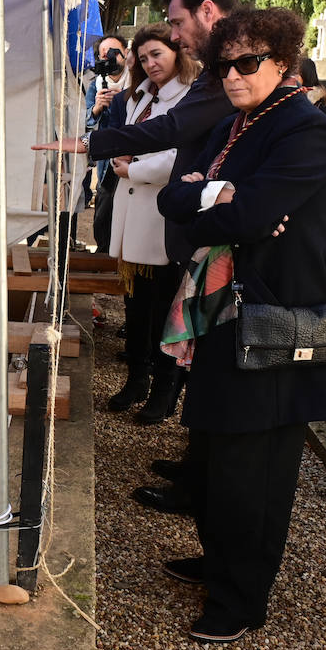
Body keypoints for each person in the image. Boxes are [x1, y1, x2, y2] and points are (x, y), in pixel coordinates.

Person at [156, 7, 326, 642]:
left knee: (254, 464)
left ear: (283, 63)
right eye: (223, 64)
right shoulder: (238, 124)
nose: (232, 75)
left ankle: (242, 596)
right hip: (221, 310)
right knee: (213, 447)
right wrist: (217, 194)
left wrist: (210, 196)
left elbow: (246, 216)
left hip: (273, 317)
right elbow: (171, 202)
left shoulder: (305, 129)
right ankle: (219, 562)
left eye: (247, 62)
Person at [33, 0, 241, 516]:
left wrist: (90, 143)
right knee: (177, 327)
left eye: (176, 24)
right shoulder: (214, 78)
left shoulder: (228, 79)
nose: (173, 39)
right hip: (185, 224)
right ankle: (196, 460)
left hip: (212, 234)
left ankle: (202, 472)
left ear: (210, 13)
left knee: (202, 344)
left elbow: (170, 134)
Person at [105, 23, 199, 423]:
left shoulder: (191, 97)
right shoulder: (139, 95)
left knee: (164, 310)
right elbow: (126, 136)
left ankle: (164, 388)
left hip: (162, 218)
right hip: (132, 214)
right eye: (142, 57)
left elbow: (183, 153)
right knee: (136, 308)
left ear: (177, 53)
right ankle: (136, 378)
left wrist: (135, 169)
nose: (150, 63)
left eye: (157, 53)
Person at [86, 34, 130, 251]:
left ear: (126, 53)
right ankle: (103, 252)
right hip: (107, 159)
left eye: (113, 52)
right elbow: (86, 120)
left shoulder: (138, 80)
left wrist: (125, 99)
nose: (109, 57)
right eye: (104, 54)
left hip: (133, 154)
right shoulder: (95, 84)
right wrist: (97, 107)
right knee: (103, 208)